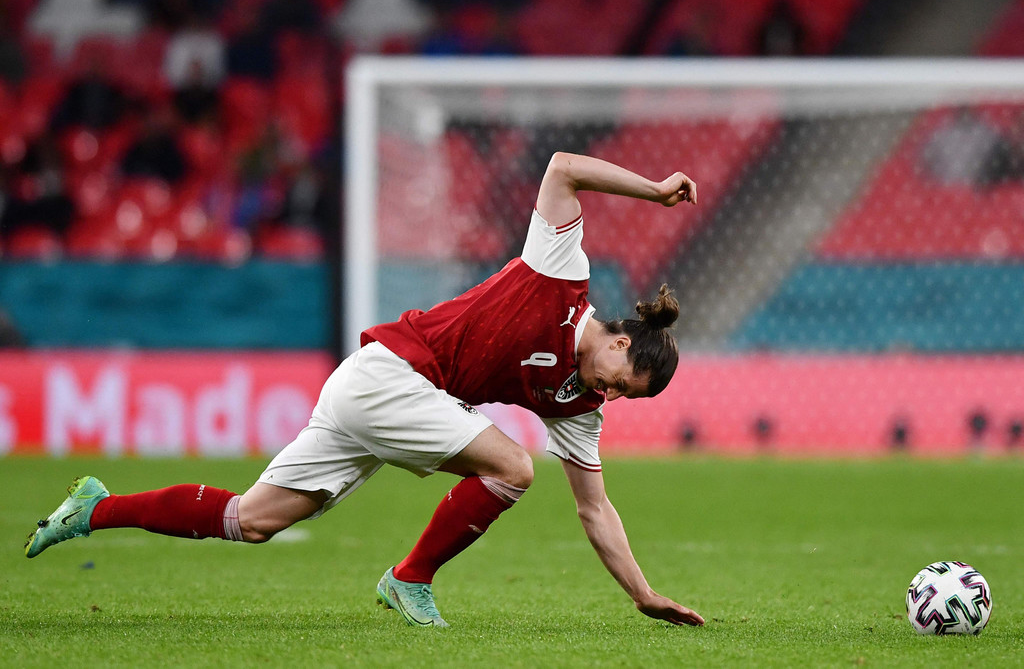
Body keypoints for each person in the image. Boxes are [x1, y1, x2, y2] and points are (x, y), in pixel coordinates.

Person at [25, 152, 704, 629]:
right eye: (622, 384)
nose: (612, 397)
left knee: (250, 520)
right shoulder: (559, 271)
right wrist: (654, 189)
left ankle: (95, 508)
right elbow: (562, 167)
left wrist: (642, 594)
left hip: (392, 395)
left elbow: (594, 507)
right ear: (620, 344)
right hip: (389, 376)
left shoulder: (579, 402)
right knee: (513, 466)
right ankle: (410, 578)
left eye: (624, 398)